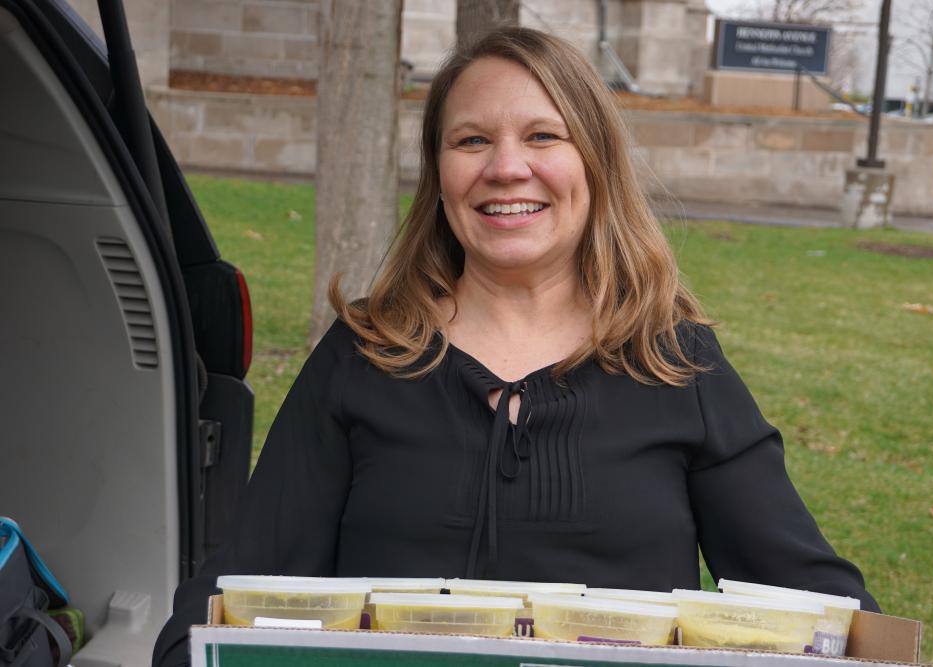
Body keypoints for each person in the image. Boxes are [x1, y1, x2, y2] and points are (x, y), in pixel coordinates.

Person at [153, 27, 879, 666]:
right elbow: (232, 596)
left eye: (542, 136)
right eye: (472, 140)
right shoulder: (365, 356)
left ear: (593, 163)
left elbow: (826, 614)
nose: (506, 167)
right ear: (440, 175)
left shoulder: (676, 365)